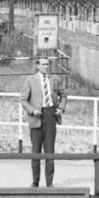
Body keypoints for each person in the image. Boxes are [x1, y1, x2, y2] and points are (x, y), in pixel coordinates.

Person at [19, 58, 65, 187]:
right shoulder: (30, 80)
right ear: (38, 66)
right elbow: (23, 99)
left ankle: (49, 182)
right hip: (36, 117)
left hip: (50, 115)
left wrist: (61, 108)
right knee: (36, 150)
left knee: (50, 150)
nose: (46, 67)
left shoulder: (55, 79)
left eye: (47, 64)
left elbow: (64, 95)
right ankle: (35, 181)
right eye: (43, 64)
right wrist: (32, 111)